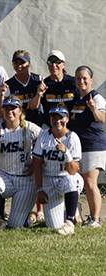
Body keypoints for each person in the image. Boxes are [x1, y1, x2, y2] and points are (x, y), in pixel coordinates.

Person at [0, 96, 41, 230]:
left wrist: (35, 164)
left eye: (13, 109)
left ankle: (26, 217)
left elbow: (45, 142)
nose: (10, 112)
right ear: (2, 111)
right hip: (4, 176)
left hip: (25, 180)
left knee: (15, 225)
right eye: (6, 109)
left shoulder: (30, 128)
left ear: (20, 111)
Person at [32, 104, 82, 235]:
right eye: (54, 117)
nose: (57, 121)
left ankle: (70, 221)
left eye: (61, 118)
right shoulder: (43, 136)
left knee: (71, 180)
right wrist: (39, 189)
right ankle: (71, 209)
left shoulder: (72, 138)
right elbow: (36, 164)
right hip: (49, 179)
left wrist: (66, 152)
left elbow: (73, 170)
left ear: (67, 119)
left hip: (66, 177)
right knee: (53, 225)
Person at [69, 66, 106, 228]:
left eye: (85, 78)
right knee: (81, 181)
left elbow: (101, 118)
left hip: (93, 145)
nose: (81, 81)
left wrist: (93, 109)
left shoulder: (96, 98)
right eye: (78, 78)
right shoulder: (78, 99)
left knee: (91, 182)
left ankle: (95, 218)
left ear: (91, 80)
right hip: (79, 146)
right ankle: (81, 214)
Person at [28, 50, 76, 129]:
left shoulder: (72, 82)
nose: (54, 65)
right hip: (50, 127)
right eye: (50, 62)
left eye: (57, 62)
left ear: (64, 64)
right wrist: (38, 94)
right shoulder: (43, 84)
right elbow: (33, 107)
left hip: (69, 127)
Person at [1, 50, 43, 127]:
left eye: (22, 63)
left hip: (37, 123)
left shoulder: (38, 80)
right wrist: (2, 95)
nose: (19, 66)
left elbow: (34, 107)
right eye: (16, 63)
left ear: (29, 64)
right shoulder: (8, 85)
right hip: (18, 126)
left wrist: (38, 94)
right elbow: (1, 112)